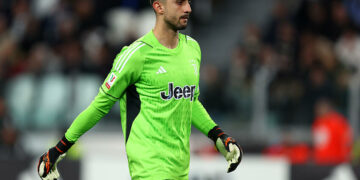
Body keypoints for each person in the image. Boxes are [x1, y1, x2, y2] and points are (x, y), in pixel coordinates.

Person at [37, 0, 243, 179]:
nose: (188, 8)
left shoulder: (192, 49)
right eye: (180, 2)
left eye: (188, 2)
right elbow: (99, 106)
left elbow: (189, 101)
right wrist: (59, 149)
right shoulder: (136, 55)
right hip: (149, 169)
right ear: (158, 7)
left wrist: (218, 136)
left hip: (180, 169)